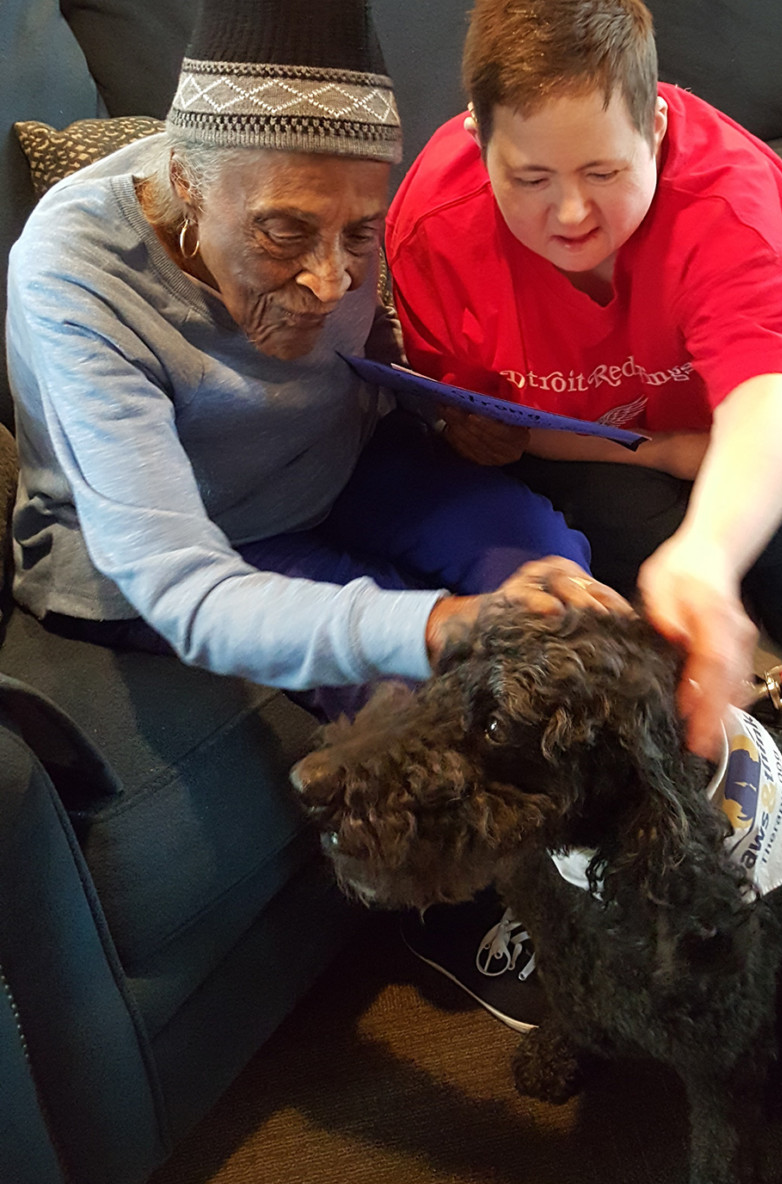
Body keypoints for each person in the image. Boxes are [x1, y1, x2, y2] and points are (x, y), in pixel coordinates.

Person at [384, 0, 782, 1028]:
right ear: (475, 138)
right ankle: (772, 709)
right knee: (624, 534)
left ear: (659, 127)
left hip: (778, 358)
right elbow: (500, 417)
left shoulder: (723, 193)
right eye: (530, 178)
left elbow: (771, 400)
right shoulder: (427, 231)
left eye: (605, 172)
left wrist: (715, 550)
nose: (571, 217)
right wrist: (671, 457)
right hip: (598, 417)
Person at [6, 0, 629, 730]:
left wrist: (446, 409)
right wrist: (446, 624)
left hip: (341, 455)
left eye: (360, 234)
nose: (331, 283)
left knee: (558, 585)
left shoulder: (325, 199)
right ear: (185, 180)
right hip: (204, 533)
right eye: (283, 232)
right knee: (446, 704)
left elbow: (369, 348)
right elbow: (179, 584)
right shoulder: (74, 273)